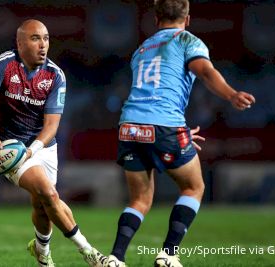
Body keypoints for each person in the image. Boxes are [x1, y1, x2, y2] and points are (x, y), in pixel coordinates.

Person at [103, 1, 256, 266]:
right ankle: (169, 254)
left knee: (139, 200)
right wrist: (231, 94)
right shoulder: (187, 40)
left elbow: (151, 94)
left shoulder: (141, 49)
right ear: (188, 19)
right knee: (194, 187)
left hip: (129, 126)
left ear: (155, 18)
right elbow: (205, 72)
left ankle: (116, 258)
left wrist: (177, 132)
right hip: (165, 125)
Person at [0, 19, 105, 267]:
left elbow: (52, 126)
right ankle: (91, 255)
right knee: (49, 193)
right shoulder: (4, 65)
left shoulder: (55, 75)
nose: (43, 45)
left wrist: (34, 150)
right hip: (11, 148)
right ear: (19, 44)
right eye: (35, 38)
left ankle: (41, 252)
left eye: (46, 38)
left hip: (42, 146)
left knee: (44, 205)